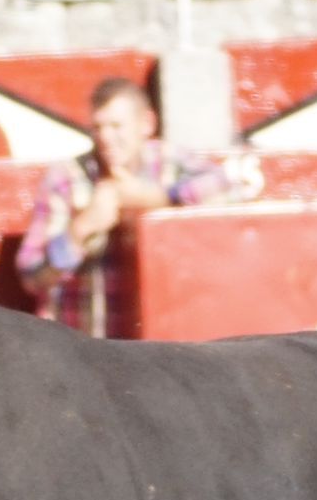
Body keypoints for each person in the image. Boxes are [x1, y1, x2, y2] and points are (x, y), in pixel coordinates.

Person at [16, 77, 258, 339]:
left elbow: (233, 186)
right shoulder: (67, 177)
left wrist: (158, 198)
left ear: (146, 124)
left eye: (117, 126)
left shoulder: (168, 161)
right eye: (98, 127)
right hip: (89, 345)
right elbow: (30, 275)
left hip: (162, 342)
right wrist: (81, 229)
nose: (106, 138)